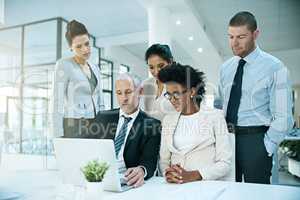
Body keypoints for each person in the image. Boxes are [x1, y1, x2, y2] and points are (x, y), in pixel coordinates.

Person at [216, 11, 294, 184]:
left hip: (256, 140)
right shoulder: (225, 68)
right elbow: (222, 104)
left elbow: (284, 117)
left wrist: (267, 146)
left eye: (241, 36)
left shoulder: (274, 67)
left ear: (255, 34)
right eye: (230, 37)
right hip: (227, 140)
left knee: (258, 193)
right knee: (227, 191)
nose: (234, 43)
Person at [158, 63, 233, 184]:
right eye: (168, 95)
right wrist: (168, 173)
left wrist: (194, 175)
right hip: (175, 187)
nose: (172, 100)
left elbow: (225, 163)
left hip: (205, 186)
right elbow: (164, 160)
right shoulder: (168, 120)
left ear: (192, 91)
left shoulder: (215, 117)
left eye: (176, 94)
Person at [91, 73, 161, 188]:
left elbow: (149, 162)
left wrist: (142, 170)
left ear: (140, 91)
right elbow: (89, 148)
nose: (124, 98)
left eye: (128, 92)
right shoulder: (102, 117)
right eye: (119, 93)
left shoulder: (152, 125)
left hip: (127, 181)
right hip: (99, 177)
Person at [51, 20, 104, 138]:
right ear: (71, 47)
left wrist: (102, 122)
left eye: (87, 44)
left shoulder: (95, 68)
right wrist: (57, 136)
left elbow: (100, 100)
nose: (85, 49)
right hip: (74, 125)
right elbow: (57, 101)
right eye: (78, 46)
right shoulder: (64, 65)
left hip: (95, 124)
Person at [142, 44, 177, 121]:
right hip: (149, 130)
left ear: (170, 62)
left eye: (161, 66)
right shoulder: (146, 84)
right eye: (151, 67)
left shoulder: (179, 85)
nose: (156, 72)